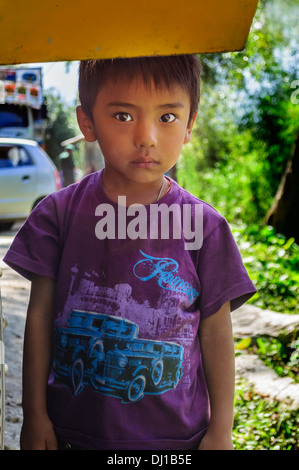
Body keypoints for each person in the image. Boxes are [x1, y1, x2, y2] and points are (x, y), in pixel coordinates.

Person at [4, 55, 256, 450]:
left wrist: (221, 430)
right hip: (74, 433)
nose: (147, 137)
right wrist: (35, 414)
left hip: (177, 440)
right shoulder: (58, 214)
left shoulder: (206, 227)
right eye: (122, 116)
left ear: (190, 124)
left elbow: (216, 331)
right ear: (87, 122)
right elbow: (39, 316)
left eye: (168, 117)